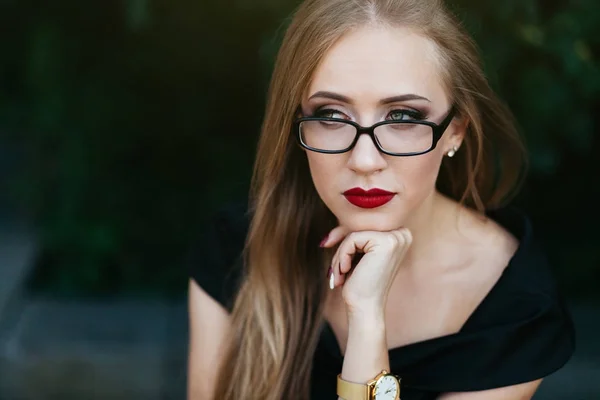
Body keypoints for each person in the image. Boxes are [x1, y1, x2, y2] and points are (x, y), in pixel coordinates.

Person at [187, 0, 575, 399]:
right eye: (332, 116)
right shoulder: (239, 247)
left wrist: (367, 321)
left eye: (403, 117)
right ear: (295, 125)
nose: (365, 161)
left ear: (455, 131)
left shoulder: (513, 312)